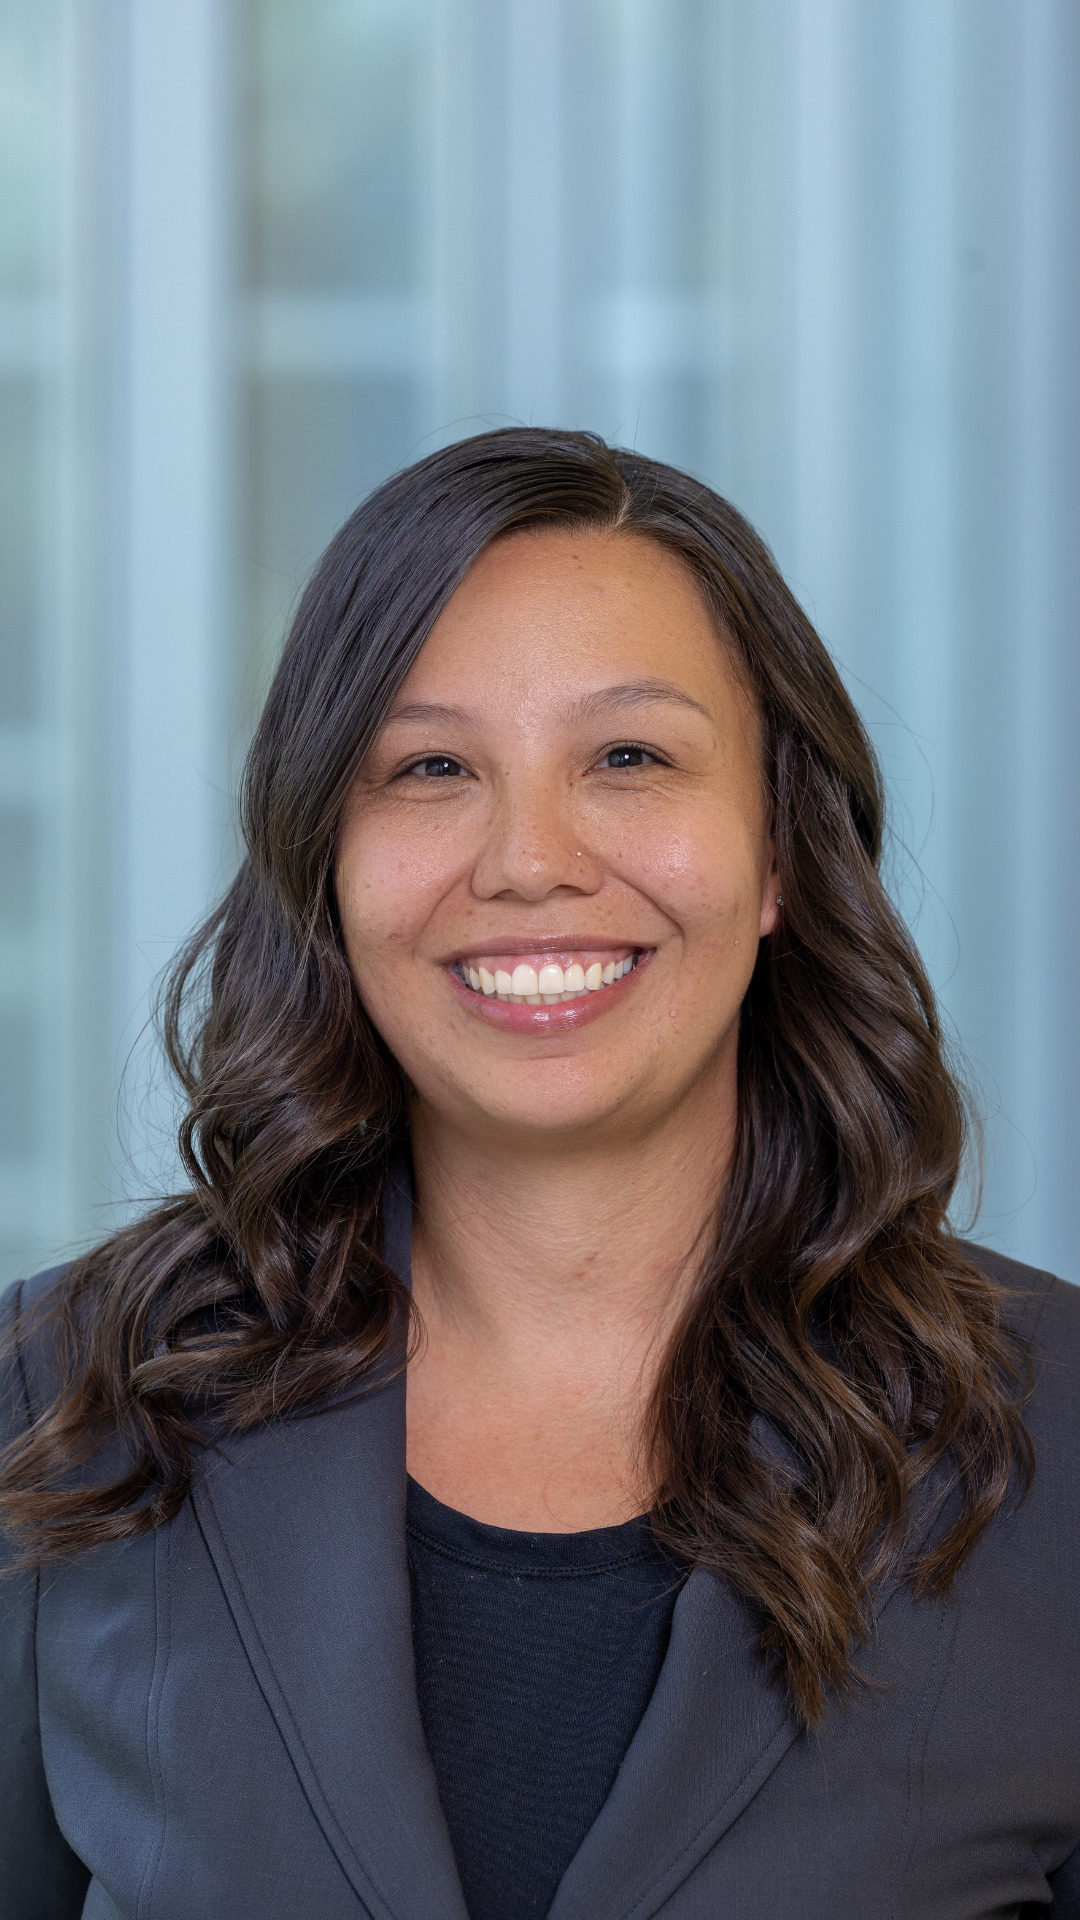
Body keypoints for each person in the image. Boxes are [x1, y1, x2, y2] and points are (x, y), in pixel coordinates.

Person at [1, 428, 1078, 1920]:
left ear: (776, 852)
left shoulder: (1059, 1434)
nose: (527, 858)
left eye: (628, 757)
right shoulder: (58, 1405)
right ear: (327, 860)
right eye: (431, 767)